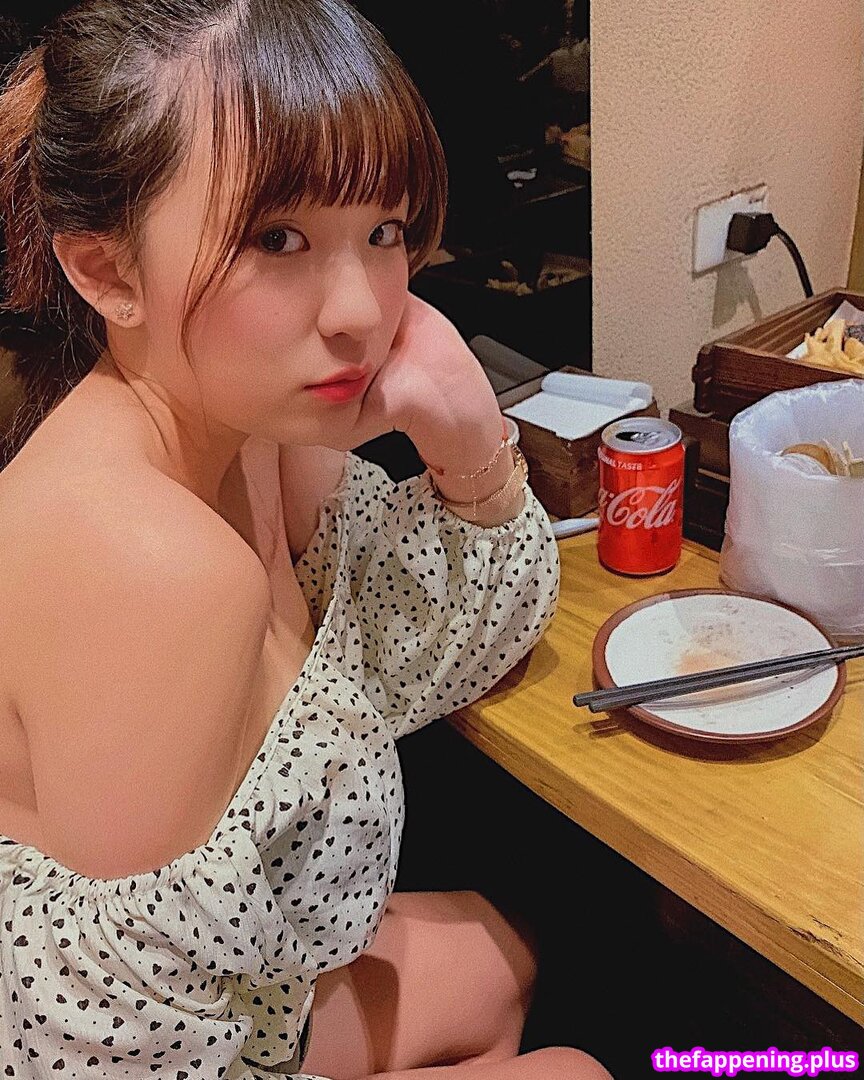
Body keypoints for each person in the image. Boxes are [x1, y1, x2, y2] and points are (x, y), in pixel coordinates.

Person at [0, 2, 612, 1076]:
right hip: (129, 1051)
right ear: (107, 272)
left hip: (249, 993)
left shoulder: (246, 426)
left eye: (385, 230)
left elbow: (446, 642)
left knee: (503, 956)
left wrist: (469, 435)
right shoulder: (155, 566)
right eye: (278, 239)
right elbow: (102, 1048)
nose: (361, 312)